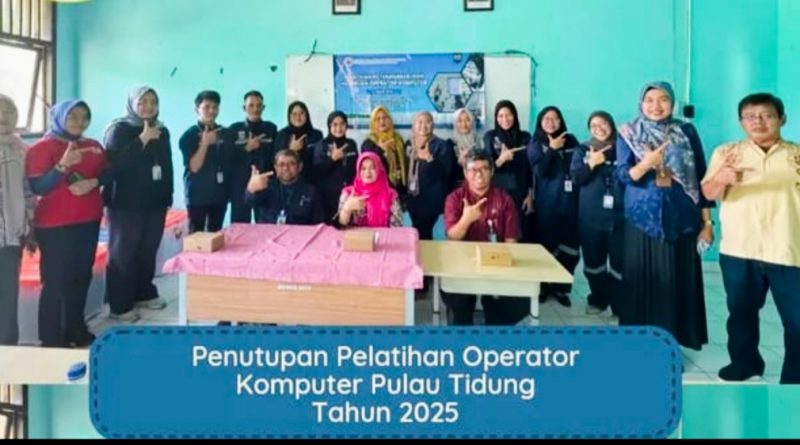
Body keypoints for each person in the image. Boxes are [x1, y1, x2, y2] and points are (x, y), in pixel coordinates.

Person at [701, 93, 800, 384]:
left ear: (782, 119)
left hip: (788, 250)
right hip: (739, 249)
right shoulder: (727, 153)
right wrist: (721, 178)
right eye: (750, 116)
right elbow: (707, 194)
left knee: (796, 320)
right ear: (741, 122)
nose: (758, 121)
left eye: (767, 115)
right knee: (741, 313)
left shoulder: (796, 156)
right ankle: (745, 363)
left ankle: (794, 377)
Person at [616, 81, 713, 351]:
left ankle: (670, 348)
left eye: (663, 99)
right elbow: (623, 175)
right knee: (641, 282)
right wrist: (646, 164)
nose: (656, 106)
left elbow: (701, 177)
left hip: (682, 220)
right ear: (641, 103)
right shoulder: (628, 132)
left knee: (676, 285)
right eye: (649, 100)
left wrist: (707, 223)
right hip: (641, 220)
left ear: (672, 103)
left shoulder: (686, 131)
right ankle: (637, 345)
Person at [26, 100, 108, 348]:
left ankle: (76, 329)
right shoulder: (41, 148)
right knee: (55, 282)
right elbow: (39, 187)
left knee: (81, 277)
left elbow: (109, 173)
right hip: (54, 226)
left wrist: (94, 182)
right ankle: (51, 338)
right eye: (73, 116)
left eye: (84, 117)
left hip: (89, 220)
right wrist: (62, 166)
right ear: (59, 117)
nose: (79, 122)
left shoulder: (93, 146)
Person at [103, 86, 174, 323]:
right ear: (132, 103)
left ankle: (143, 293)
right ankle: (119, 304)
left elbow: (167, 164)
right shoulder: (119, 129)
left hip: (154, 202)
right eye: (143, 101)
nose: (149, 106)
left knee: (147, 250)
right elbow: (114, 165)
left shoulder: (162, 130)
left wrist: (168, 195)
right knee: (123, 253)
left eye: (153, 102)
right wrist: (142, 139)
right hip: (126, 204)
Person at [441, 149, 529, 325]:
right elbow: (452, 237)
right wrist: (466, 220)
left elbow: (511, 242)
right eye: (473, 169)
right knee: (458, 304)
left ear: (492, 171)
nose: (478, 174)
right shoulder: (455, 198)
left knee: (519, 304)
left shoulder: (504, 199)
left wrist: (498, 271)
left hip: (496, 264)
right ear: (465, 172)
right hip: (462, 265)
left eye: (484, 169)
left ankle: (492, 324)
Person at [569, 111, 624, 316]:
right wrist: (591, 164)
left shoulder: (624, 148)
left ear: (611, 124)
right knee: (594, 263)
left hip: (620, 218)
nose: (599, 128)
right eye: (593, 125)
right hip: (591, 217)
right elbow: (576, 178)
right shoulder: (583, 149)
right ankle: (598, 299)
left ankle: (619, 305)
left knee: (620, 265)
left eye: (603, 123)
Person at [528, 106, 582, 307]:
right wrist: (552, 149)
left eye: (555, 118)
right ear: (540, 122)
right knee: (546, 248)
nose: (551, 122)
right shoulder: (535, 143)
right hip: (547, 204)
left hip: (571, 204)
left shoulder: (572, 140)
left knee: (569, 250)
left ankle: (561, 289)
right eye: (546, 119)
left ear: (561, 121)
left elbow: (579, 167)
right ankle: (543, 287)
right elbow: (539, 171)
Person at [0, 95, 36, 345]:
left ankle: (7, 348)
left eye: (9, 111)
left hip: (12, 235)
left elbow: (28, 192)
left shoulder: (21, 149)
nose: (3, 117)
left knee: (8, 294)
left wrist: (30, 227)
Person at [179, 90, 234, 233]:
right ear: (196, 109)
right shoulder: (188, 136)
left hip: (220, 195)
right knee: (196, 238)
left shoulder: (226, 133)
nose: (211, 111)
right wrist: (205, 144)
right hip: (197, 196)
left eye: (215, 107)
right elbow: (194, 167)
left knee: (216, 235)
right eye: (206, 107)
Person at [483, 100, 533, 236]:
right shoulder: (490, 137)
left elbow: (529, 169)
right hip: (497, 194)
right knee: (497, 232)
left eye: (509, 115)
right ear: (496, 118)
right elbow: (485, 169)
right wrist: (501, 159)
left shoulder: (525, 137)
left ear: (515, 116)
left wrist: (530, 194)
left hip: (520, 193)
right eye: (500, 116)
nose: (505, 119)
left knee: (519, 233)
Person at [405, 111, 456, 241]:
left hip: (431, 203)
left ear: (433, 125)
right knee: (414, 237)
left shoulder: (442, 145)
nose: (423, 125)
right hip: (413, 200)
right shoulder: (409, 144)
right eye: (420, 122)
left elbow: (447, 171)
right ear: (414, 125)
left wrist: (429, 159)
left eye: (428, 122)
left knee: (427, 239)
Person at [228, 90, 278, 223]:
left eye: (258, 105)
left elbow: (275, 155)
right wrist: (247, 148)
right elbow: (228, 158)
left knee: (265, 226)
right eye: (251, 105)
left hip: (265, 184)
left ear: (263, 107)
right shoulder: (233, 129)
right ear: (244, 108)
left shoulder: (271, 128)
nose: (255, 109)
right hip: (240, 185)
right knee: (240, 226)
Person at [245, 149, 324, 225]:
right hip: (268, 231)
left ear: (300, 167)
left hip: (298, 233)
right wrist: (251, 190)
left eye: (291, 164)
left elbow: (318, 223)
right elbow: (250, 202)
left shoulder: (311, 191)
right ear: (275, 168)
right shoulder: (266, 185)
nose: (286, 168)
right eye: (281, 164)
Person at [312, 111, 358, 223]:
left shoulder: (351, 144)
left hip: (347, 195)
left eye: (342, 124)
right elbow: (316, 172)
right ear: (329, 126)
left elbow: (356, 169)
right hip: (327, 197)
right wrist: (332, 159)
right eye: (335, 124)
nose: (339, 128)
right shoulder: (321, 145)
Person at [337, 152, 403, 228]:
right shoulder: (348, 193)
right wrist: (347, 208)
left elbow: (397, 228)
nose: (367, 172)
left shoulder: (391, 195)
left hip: (381, 235)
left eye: (372, 168)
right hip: (355, 235)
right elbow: (340, 226)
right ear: (358, 171)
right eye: (363, 168)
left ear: (379, 170)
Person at [360, 106, 407, 194]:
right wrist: (380, 150)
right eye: (378, 119)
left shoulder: (398, 140)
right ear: (373, 122)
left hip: (399, 189)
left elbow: (404, 165)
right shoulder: (369, 143)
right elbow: (368, 166)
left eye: (385, 118)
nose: (382, 121)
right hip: (379, 191)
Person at [273, 101, 323, 183]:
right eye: (294, 114)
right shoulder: (282, 134)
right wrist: (291, 150)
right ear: (289, 116)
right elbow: (276, 160)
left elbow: (319, 160)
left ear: (307, 115)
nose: (298, 117)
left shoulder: (316, 134)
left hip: (312, 180)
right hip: (288, 180)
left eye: (301, 113)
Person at [447, 108, 482, 190]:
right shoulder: (450, 143)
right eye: (459, 121)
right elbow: (448, 171)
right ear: (455, 123)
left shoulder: (479, 142)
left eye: (467, 120)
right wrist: (460, 162)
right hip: (458, 187)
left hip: (478, 185)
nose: (464, 124)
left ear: (472, 122)